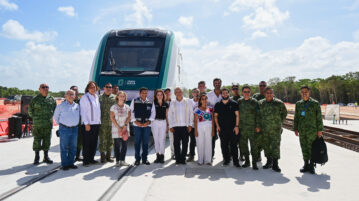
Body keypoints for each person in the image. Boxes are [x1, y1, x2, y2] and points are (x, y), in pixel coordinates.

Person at [294, 86, 323, 174]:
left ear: (309, 92)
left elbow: (319, 118)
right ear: (300, 93)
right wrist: (295, 128)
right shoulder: (298, 104)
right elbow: (296, 117)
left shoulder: (315, 103)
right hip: (302, 130)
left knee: (312, 148)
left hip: (312, 131)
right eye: (302, 92)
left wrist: (320, 130)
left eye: (306, 92)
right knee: (304, 147)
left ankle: (312, 165)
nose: (304, 93)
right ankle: (306, 164)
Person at [258, 87, 287, 172]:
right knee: (266, 146)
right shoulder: (261, 103)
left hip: (276, 129)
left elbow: (284, 113)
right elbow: (258, 115)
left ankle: (275, 164)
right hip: (265, 129)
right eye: (267, 93)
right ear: (264, 94)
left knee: (275, 146)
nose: (269, 94)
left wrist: (279, 122)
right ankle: (268, 162)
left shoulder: (279, 103)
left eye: (271, 93)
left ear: (273, 94)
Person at [28, 83, 56, 165]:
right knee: (37, 140)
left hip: (48, 124)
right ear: (39, 89)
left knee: (47, 141)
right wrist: (37, 118)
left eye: (47, 87)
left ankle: (46, 156)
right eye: (43, 87)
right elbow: (30, 111)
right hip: (38, 125)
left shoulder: (52, 99)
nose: (45, 88)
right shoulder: (35, 99)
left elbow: (54, 110)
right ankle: (37, 156)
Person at [54, 90, 80, 170]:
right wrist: (62, 125)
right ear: (65, 96)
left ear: (75, 96)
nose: (71, 96)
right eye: (69, 94)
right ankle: (65, 164)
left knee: (73, 147)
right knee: (64, 147)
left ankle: (71, 163)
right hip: (64, 129)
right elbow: (56, 117)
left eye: (72, 94)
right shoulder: (61, 106)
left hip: (75, 129)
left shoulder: (77, 106)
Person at [214, 88, 240, 167]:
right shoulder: (218, 104)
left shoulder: (234, 103)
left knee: (234, 146)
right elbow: (215, 116)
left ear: (229, 94)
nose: (225, 94)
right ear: (221, 95)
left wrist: (236, 126)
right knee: (224, 145)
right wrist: (217, 126)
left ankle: (236, 161)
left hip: (232, 128)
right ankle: (226, 160)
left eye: (226, 93)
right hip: (222, 129)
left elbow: (237, 115)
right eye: (223, 93)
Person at [130, 87, 155, 165]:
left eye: (146, 93)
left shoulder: (150, 102)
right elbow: (131, 112)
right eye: (143, 93)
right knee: (137, 142)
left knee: (145, 143)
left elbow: (153, 113)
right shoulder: (134, 101)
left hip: (147, 125)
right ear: (140, 93)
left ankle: (145, 159)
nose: (144, 94)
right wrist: (135, 121)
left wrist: (149, 121)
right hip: (137, 125)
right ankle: (137, 159)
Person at [168, 87, 194, 164]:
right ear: (175, 93)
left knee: (185, 143)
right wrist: (171, 126)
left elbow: (191, 113)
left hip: (185, 126)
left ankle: (183, 159)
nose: (179, 93)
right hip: (175, 126)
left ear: (182, 92)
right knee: (176, 143)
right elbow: (170, 115)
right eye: (177, 91)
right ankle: (178, 159)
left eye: (180, 91)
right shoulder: (172, 102)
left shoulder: (188, 101)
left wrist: (190, 125)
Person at [238, 86, 260, 170]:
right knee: (244, 146)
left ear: (250, 93)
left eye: (248, 92)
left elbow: (258, 115)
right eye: (245, 92)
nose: (246, 93)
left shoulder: (254, 102)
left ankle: (254, 163)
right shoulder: (239, 102)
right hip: (242, 128)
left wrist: (258, 126)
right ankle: (247, 161)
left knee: (254, 146)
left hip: (252, 128)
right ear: (242, 93)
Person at [80, 81, 101, 166]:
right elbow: (83, 111)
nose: (93, 89)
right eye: (91, 87)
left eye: (94, 87)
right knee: (87, 142)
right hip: (88, 124)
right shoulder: (84, 97)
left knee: (94, 142)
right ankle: (86, 160)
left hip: (96, 123)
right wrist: (86, 123)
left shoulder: (96, 97)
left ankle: (91, 158)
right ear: (88, 88)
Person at [110, 91, 131, 166]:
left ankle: (123, 160)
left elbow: (129, 117)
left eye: (123, 96)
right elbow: (112, 118)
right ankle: (117, 161)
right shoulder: (113, 107)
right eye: (120, 96)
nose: (122, 98)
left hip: (125, 128)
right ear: (117, 97)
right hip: (116, 128)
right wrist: (118, 127)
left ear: (125, 98)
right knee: (117, 145)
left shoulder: (127, 107)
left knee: (124, 145)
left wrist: (125, 126)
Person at [194, 93, 214, 165]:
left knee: (208, 143)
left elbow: (213, 121)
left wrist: (213, 130)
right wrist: (195, 131)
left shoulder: (211, 109)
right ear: (200, 100)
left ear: (207, 100)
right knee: (200, 143)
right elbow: (195, 121)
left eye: (205, 99)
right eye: (202, 99)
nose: (204, 100)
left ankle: (208, 160)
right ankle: (200, 160)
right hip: (200, 127)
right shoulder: (197, 109)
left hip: (209, 127)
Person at [99, 83, 116, 163]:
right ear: (104, 88)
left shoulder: (115, 98)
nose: (109, 88)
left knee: (111, 140)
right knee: (102, 139)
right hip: (102, 123)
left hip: (112, 123)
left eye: (110, 87)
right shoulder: (99, 98)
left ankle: (108, 156)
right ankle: (102, 156)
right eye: (107, 87)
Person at [151, 89, 169, 163]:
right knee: (156, 140)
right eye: (158, 95)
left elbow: (167, 115)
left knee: (162, 140)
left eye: (161, 94)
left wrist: (168, 125)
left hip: (163, 122)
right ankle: (157, 155)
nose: (159, 96)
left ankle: (162, 155)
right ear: (156, 96)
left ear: (163, 95)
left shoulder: (166, 104)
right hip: (155, 122)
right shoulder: (153, 103)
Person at [207, 78, 222, 160]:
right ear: (213, 84)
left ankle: (226, 156)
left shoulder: (223, 94)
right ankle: (211, 155)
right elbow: (206, 105)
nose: (217, 84)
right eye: (215, 83)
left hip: (222, 119)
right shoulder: (208, 94)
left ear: (220, 84)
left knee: (223, 138)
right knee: (212, 138)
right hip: (211, 119)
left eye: (218, 83)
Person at [252, 81, 267, 162]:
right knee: (257, 140)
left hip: (267, 123)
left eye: (264, 85)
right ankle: (258, 155)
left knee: (267, 141)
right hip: (257, 122)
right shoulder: (255, 96)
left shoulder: (270, 95)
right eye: (261, 85)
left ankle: (269, 158)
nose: (262, 87)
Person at [70, 85, 83, 162]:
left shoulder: (81, 101)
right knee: (70, 141)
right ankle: (70, 157)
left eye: (76, 90)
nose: (75, 91)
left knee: (79, 141)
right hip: (70, 125)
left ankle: (77, 156)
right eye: (73, 90)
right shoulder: (67, 101)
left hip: (79, 124)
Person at [187, 88, 199, 162]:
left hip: (200, 124)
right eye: (194, 92)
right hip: (191, 124)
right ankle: (191, 155)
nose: (196, 93)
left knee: (200, 141)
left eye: (197, 92)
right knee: (192, 140)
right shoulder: (189, 101)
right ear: (192, 93)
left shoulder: (202, 101)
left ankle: (202, 155)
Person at [164, 88, 175, 160]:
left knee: (172, 139)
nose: (167, 94)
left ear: (171, 94)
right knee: (161, 140)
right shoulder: (161, 102)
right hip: (163, 123)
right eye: (166, 93)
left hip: (172, 123)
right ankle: (160, 155)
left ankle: (173, 154)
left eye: (169, 93)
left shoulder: (174, 102)